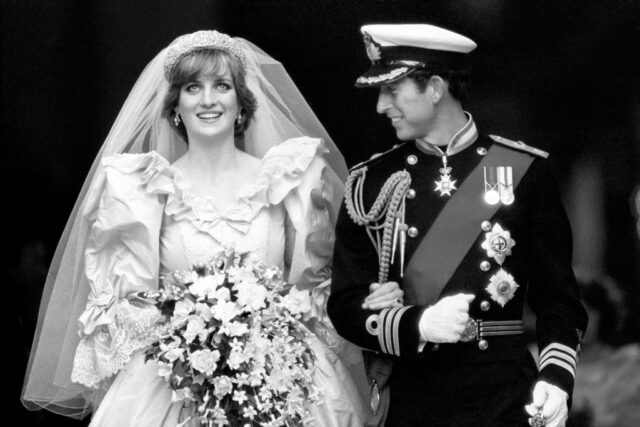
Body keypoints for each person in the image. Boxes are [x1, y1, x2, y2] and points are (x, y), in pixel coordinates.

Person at [21, 29, 400, 426]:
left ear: (240, 102)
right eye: (192, 87)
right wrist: (191, 336)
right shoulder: (143, 191)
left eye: (222, 85)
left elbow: (316, 288)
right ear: (174, 106)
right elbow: (130, 307)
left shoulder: (290, 180)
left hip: (284, 374)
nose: (207, 100)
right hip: (173, 382)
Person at [328, 24, 588, 426]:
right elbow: (345, 305)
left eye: (392, 90)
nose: (381, 106)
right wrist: (419, 323)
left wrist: (556, 378)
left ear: (434, 87)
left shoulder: (521, 170)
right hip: (413, 400)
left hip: (506, 397)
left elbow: (559, 301)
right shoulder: (372, 182)